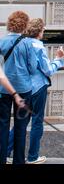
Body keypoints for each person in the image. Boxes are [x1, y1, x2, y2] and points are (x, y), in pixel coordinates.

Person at [7, 18, 64, 165]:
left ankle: (6, 153)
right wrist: (58, 60)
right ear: (39, 31)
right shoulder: (38, 46)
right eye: (43, 30)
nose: (43, 32)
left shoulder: (22, 43)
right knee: (37, 121)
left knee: (21, 123)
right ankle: (32, 156)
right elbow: (47, 70)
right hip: (38, 88)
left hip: (23, 88)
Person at [0, 11, 37, 165]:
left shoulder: (1, 41)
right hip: (24, 89)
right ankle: (19, 161)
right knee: (21, 129)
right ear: (25, 24)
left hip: (3, 90)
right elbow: (33, 68)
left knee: (2, 127)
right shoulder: (28, 43)